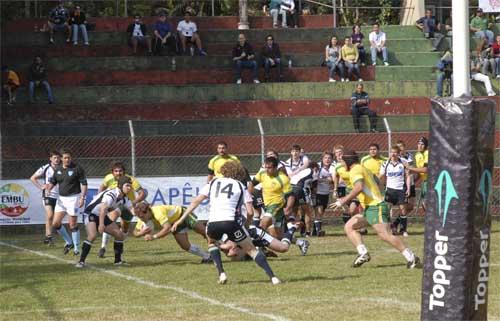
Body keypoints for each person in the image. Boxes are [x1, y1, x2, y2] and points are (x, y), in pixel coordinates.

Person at [175, 162, 281, 285]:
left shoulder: (213, 182)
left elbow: (196, 201)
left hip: (213, 222)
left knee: (211, 242)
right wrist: (245, 227)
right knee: (252, 250)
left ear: (223, 171)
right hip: (231, 222)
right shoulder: (241, 186)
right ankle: (273, 277)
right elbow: (250, 212)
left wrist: (181, 219)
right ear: (238, 173)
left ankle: (221, 273)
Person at [329, 150, 421, 269]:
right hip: (370, 207)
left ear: (348, 161)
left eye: (343, 161)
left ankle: (412, 258)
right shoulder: (361, 168)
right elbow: (376, 181)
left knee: (385, 235)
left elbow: (359, 187)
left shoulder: (355, 170)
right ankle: (363, 253)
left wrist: (343, 200)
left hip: (375, 206)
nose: (342, 164)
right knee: (349, 226)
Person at [252, 157, 309, 254]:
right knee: (276, 235)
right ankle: (301, 242)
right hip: (267, 206)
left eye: (269, 168)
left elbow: (290, 196)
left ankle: (259, 249)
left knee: (262, 224)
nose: (267, 170)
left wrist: (288, 208)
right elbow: (252, 183)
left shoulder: (283, 178)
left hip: (276, 206)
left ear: (275, 168)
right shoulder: (262, 174)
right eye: (266, 167)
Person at [76, 176, 132, 268]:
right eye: (127, 185)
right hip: (91, 214)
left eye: (130, 186)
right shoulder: (111, 194)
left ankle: (118, 261)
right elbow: (103, 209)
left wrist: (144, 220)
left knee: (119, 235)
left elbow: (132, 209)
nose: (129, 188)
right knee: (92, 236)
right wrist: (101, 224)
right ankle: (81, 261)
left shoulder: (125, 198)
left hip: (102, 215)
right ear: (120, 185)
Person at [97, 161, 146, 258]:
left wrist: (134, 202)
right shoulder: (108, 178)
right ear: (112, 172)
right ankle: (103, 247)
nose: (118, 173)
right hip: (114, 205)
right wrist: (102, 199)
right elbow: (101, 188)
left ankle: (119, 245)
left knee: (125, 227)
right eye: (116, 171)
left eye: (120, 171)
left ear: (124, 172)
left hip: (127, 205)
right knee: (110, 222)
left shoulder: (130, 179)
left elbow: (142, 193)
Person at [134, 202, 211, 263]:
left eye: (142, 217)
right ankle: (207, 256)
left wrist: (153, 237)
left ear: (147, 211)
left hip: (183, 214)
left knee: (206, 233)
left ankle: (220, 244)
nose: (142, 219)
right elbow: (135, 232)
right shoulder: (142, 217)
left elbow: (167, 228)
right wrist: (140, 233)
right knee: (185, 246)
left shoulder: (158, 212)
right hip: (174, 223)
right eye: (139, 217)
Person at [47, 149, 87, 256]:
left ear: (71, 158)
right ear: (61, 159)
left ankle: (76, 248)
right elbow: (53, 182)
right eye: (65, 158)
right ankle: (69, 242)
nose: (67, 159)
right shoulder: (58, 169)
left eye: (69, 157)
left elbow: (84, 184)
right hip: (61, 199)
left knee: (72, 225)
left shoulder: (77, 168)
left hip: (73, 199)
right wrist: (48, 189)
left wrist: (82, 198)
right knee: (55, 223)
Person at [30, 150, 62, 245]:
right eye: (54, 158)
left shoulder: (62, 168)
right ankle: (48, 236)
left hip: (60, 196)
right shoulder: (45, 168)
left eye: (58, 158)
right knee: (50, 215)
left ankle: (54, 232)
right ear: (50, 159)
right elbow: (32, 178)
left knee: (57, 219)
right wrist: (41, 187)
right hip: (48, 195)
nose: (56, 159)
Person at [379, 146, 411, 237]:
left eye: (395, 152)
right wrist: (376, 182)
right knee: (387, 210)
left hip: (400, 189)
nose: (393, 154)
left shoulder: (403, 162)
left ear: (398, 153)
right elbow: (381, 176)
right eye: (391, 152)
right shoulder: (385, 164)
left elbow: (408, 176)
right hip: (389, 190)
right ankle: (389, 229)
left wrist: (408, 188)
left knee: (403, 210)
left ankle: (403, 230)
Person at [314, 152, 334, 236]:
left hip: (326, 192)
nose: (327, 160)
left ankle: (315, 230)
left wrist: (329, 180)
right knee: (319, 210)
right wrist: (326, 179)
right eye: (325, 158)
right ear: (322, 159)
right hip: (317, 192)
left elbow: (333, 180)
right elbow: (315, 179)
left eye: (329, 158)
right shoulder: (318, 167)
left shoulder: (333, 167)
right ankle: (318, 230)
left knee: (321, 212)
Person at [407, 137, 429, 212]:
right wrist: (413, 181)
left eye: (422, 144)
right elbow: (420, 172)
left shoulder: (428, 153)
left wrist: (410, 169)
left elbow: (425, 169)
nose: (420, 146)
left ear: (426, 146)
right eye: (419, 144)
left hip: (431, 181)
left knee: (426, 203)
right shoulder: (417, 155)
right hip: (424, 182)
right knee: (425, 204)